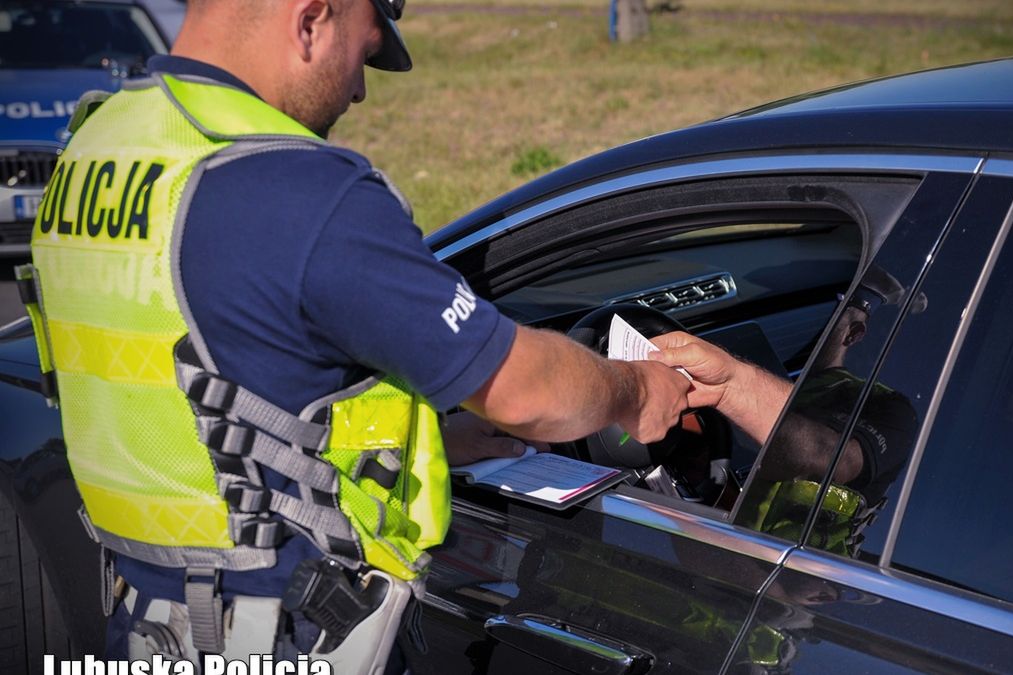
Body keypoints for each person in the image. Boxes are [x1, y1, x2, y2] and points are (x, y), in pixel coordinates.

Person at [19, 0, 689, 668]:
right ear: (310, 20)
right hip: (284, 634)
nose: (361, 90)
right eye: (363, 54)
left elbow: (191, 381)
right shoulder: (296, 188)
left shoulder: (95, 147)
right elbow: (522, 388)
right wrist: (633, 388)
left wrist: (433, 446)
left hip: (141, 626)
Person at [650, 273, 918, 554]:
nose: (816, 318)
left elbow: (825, 458)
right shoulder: (781, 378)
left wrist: (731, 388)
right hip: (717, 553)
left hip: (798, 580)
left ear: (853, 333)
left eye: (833, 308)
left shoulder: (887, 406)